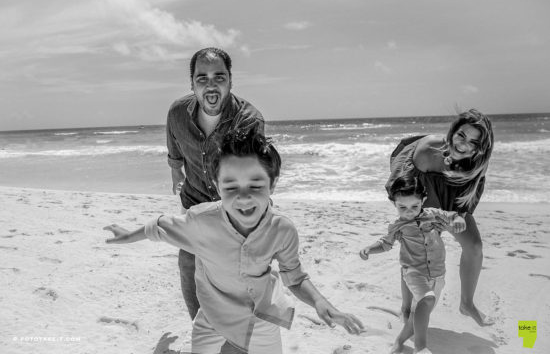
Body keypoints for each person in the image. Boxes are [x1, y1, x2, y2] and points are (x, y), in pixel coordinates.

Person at [104, 129, 364, 354]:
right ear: (217, 186)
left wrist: (320, 302)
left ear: (273, 184)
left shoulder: (282, 229)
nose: (243, 197)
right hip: (212, 315)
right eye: (230, 187)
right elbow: (160, 227)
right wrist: (128, 235)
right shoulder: (201, 221)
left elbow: (294, 277)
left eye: (255, 185)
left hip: (262, 315)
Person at [166, 47, 265, 323]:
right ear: (192, 83)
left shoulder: (249, 120)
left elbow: (255, 177)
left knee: (237, 276)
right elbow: (174, 144)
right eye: (202, 78)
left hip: (236, 209)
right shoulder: (177, 113)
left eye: (219, 77)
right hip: (195, 201)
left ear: (230, 80)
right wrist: (175, 170)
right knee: (189, 262)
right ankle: (202, 329)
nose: (211, 84)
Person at [385, 109, 494, 326]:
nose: (463, 145)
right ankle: (406, 310)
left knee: (474, 246)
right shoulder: (428, 151)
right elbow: (404, 188)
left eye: (473, 142)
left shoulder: (476, 163)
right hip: (420, 188)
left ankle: (467, 304)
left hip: (452, 195)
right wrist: (416, 221)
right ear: (453, 131)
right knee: (418, 247)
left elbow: (466, 196)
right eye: (461, 135)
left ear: (480, 148)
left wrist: (459, 216)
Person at [360, 175, 466, 354]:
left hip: (438, 273)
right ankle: (420, 347)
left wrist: (458, 219)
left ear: (423, 200)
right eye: (402, 207)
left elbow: (451, 215)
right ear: (394, 203)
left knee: (419, 314)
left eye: (414, 206)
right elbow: (385, 244)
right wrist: (370, 248)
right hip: (413, 271)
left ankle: (399, 342)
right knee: (427, 299)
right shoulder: (397, 225)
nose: (409, 211)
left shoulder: (433, 214)